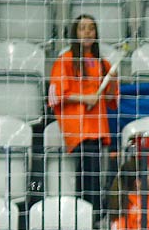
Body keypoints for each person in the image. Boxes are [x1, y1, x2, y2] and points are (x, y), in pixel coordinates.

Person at [48, 14, 117, 214]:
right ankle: (88, 213)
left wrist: (112, 80)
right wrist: (84, 98)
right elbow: (57, 94)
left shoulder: (102, 63)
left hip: (96, 126)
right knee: (87, 171)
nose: (87, 32)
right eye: (82, 28)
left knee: (94, 172)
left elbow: (111, 98)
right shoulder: (66, 61)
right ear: (75, 33)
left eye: (91, 28)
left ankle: (92, 214)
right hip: (77, 126)